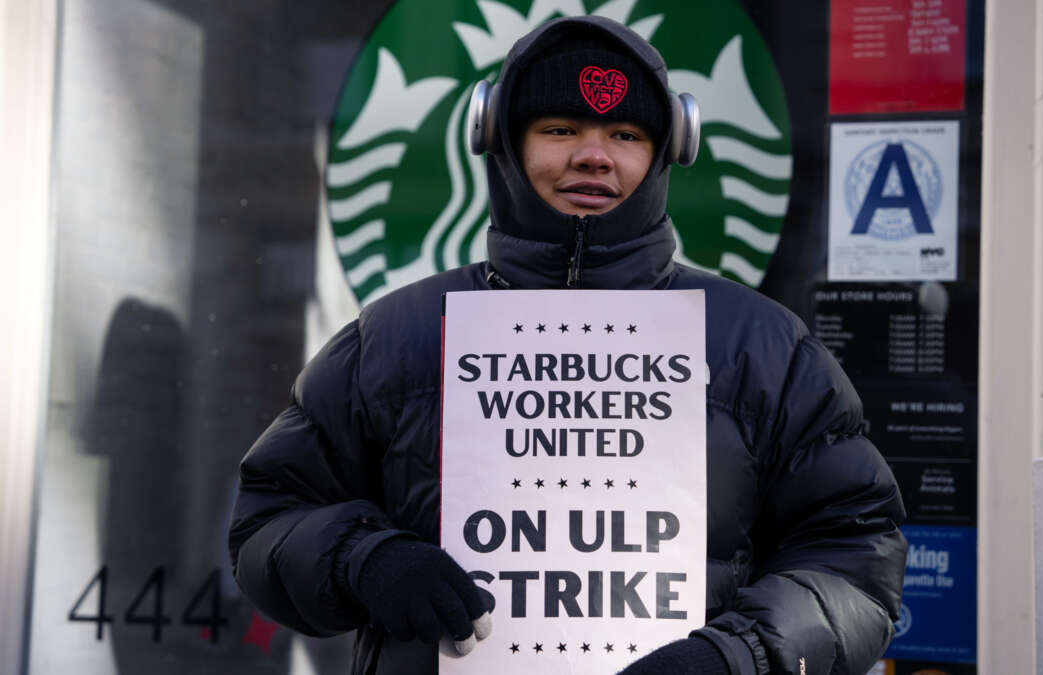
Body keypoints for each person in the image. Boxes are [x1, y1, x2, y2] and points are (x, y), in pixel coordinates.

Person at [229, 15, 906, 675]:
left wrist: (743, 654)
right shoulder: (396, 338)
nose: (593, 153)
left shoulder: (763, 349)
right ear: (502, 140)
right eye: (560, 129)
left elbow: (853, 551)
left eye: (625, 132)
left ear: (668, 149)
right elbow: (269, 519)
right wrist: (362, 559)